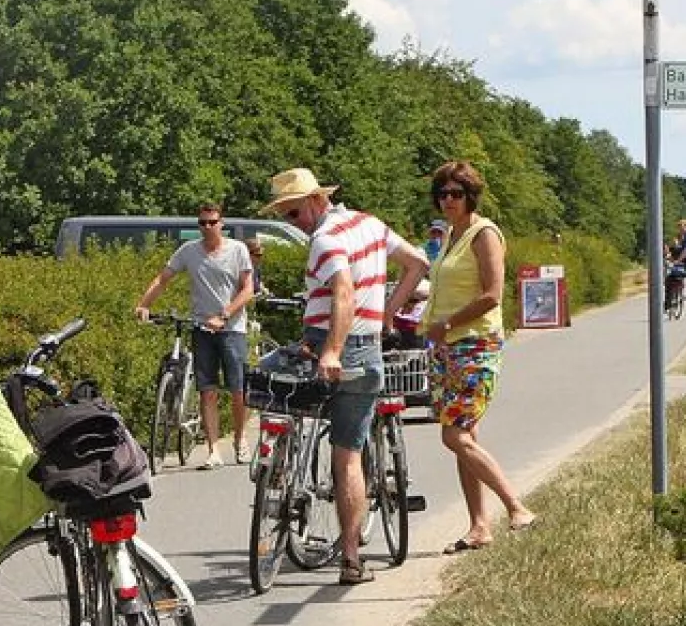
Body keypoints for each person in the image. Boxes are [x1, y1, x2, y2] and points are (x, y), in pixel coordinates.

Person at [260, 168, 428, 585]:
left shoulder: (326, 238)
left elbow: (343, 292)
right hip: (368, 344)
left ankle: (280, 472)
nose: (293, 223)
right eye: (285, 216)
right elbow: (418, 264)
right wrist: (388, 316)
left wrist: (331, 349)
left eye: (294, 213)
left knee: (268, 379)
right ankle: (351, 560)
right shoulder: (369, 224)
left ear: (317, 201)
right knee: (348, 452)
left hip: (331, 342)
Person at [422, 161, 537, 553]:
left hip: (476, 344)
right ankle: (478, 525)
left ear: (470, 195)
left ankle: (516, 507)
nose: (448, 200)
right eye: (442, 194)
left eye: (455, 193)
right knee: (464, 438)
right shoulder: (448, 236)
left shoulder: (483, 233)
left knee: (453, 433)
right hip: (447, 347)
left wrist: (447, 322)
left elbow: (491, 293)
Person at [134, 203, 255, 467]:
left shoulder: (237, 250)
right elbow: (163, 279)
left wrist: (224, 316)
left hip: (231, 328)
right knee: (207, 391)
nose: (207, 228)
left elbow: (248, 289)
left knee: (238, 390)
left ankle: (240, 437)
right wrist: (144, 305)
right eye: (202, 223)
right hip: (202, 327)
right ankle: (213, 450)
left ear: (222, 223)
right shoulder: (189, 251)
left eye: (212, 222)